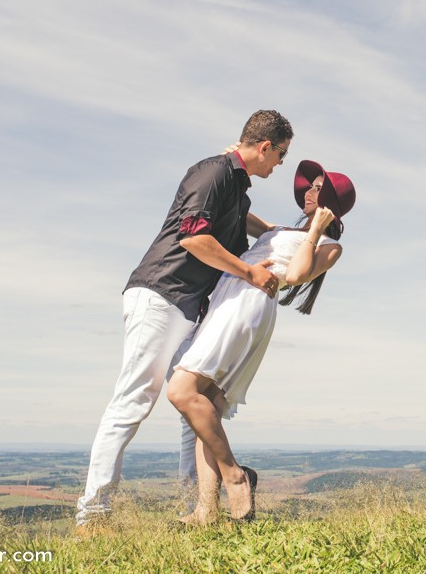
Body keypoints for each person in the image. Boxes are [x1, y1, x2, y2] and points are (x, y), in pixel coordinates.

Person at [75, 110, 293, 530]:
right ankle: (93, 515)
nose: (281, 164)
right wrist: (250, 272)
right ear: (264, 146)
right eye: (281, 154)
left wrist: (278, 231)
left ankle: (199, 506)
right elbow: (194, 237)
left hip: (187, 303)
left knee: (192, 401)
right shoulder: (212, 172)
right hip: (161, 295)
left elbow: (238, 218)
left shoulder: (235, 183)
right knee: (133, 401)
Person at [167, 159, 356, 524]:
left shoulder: (330, 245)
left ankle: (234, 476)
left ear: (332, 200)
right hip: (232, 294)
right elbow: (242, 214)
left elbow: (298, 273)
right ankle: (207, 510)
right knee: (207, 408)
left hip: (248, 303)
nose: (310, 190)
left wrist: (316, 229)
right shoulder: (283, 228)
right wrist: (230, 170)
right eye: (311, 185)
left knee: (182, 390)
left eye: (319, 188)